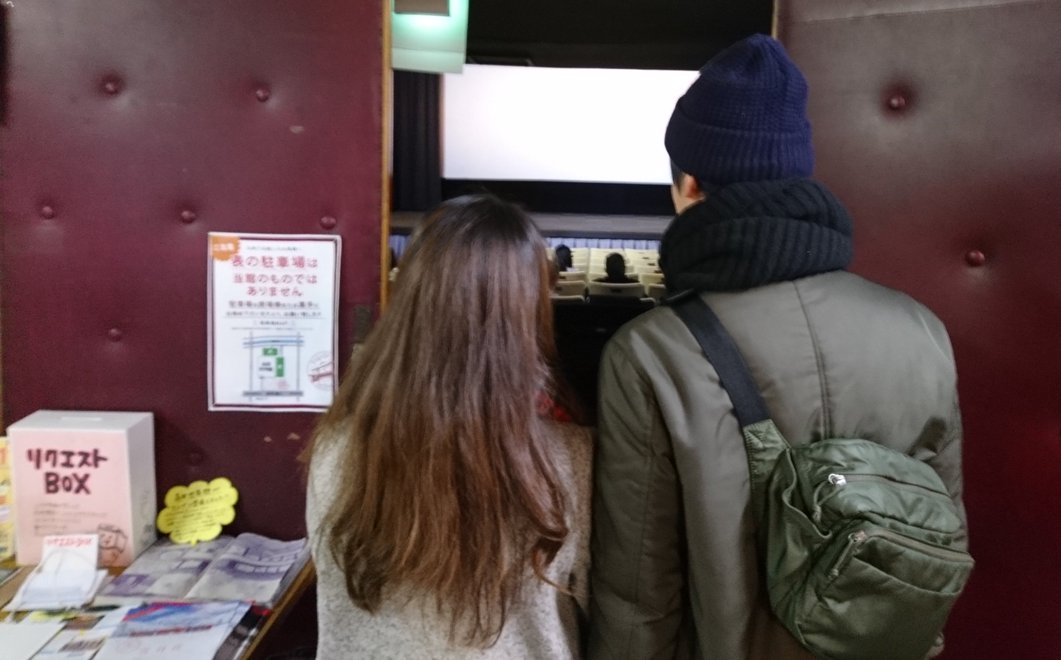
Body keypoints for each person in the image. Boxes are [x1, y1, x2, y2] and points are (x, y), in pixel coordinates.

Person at [588, 34, 964, 660]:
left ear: (689, 183)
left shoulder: (653, 353)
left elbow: (638, 594)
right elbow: (941, 543)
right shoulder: (921, 330)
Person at [306, 194, 592, 660]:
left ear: (410, 297)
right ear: (528, 309)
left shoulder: (334, 448)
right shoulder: (571, 458)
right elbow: (602, 604)